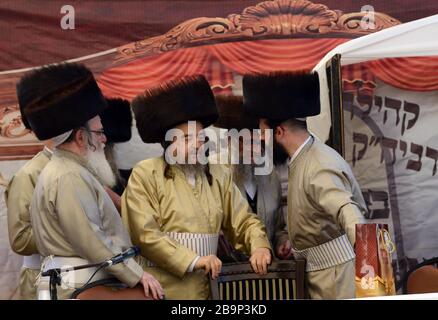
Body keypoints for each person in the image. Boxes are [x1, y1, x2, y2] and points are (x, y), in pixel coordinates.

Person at [19, 62, 163, 300]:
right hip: (77, 287)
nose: (105, 139)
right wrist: (137, 275)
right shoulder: (68, 176)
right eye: (99, 132)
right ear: (80, 136)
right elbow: (92, 239)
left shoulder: (74, 170)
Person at [121, 75, 272, 299]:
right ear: (169, 142)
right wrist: (195, 260)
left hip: (210, 285)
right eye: (187, 138)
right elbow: (145, 235)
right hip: (164, 289)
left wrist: (259, 245)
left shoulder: (218, 172)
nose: (197, 143)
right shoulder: (146, 173)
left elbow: (243, 220)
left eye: (200, 137)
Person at [243, 71, 367, 299]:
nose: (260, 139)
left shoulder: (318, 165)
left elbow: (347, 211)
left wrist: (370, 269)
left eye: (262, 132)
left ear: (278, 132)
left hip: (338, 281)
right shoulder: (303, 157)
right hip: (321, 275)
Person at [213, 95, 290, 260]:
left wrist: (282, 243)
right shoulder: (213, 171)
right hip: (225, 274)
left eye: (257, 143)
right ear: (229, 141)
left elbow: (278, 229)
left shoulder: (270, 174)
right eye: (244, 142)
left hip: (266, 270)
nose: (252, 150)